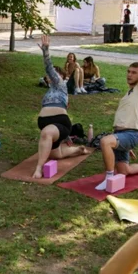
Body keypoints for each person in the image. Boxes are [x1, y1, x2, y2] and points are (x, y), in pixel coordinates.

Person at [96, 18, 138, 191]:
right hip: (122, 135)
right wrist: (123, 142)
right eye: (128, 72)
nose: (129, 75)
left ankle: (108, 178)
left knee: (105, 142)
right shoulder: (129, 93)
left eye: (134, 72)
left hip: (131, 134)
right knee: (124, 171)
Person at [33, 36, 90, 179]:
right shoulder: (51, 90)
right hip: (53, 126)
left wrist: (46, 51)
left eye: (53, 74)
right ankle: (78, 149)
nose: (50, 75)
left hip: (59, 124)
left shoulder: (61, 84)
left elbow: (48, 67)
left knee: (46, 134)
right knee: (56, 155)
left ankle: (38, 169)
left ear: (59, 76)